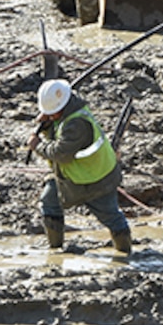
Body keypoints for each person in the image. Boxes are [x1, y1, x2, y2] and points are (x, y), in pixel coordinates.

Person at [27, 79, 132, 253]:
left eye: (53, 112)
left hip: (97, 180)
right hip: (78, 176)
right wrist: (47, 126)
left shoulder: (76, 124)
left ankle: (125, 253)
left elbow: (60, 152)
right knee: (49, 201)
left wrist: (37, 145)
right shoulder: (70, 112)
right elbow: (59, 139)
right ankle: (55, 249)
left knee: (112, 218)